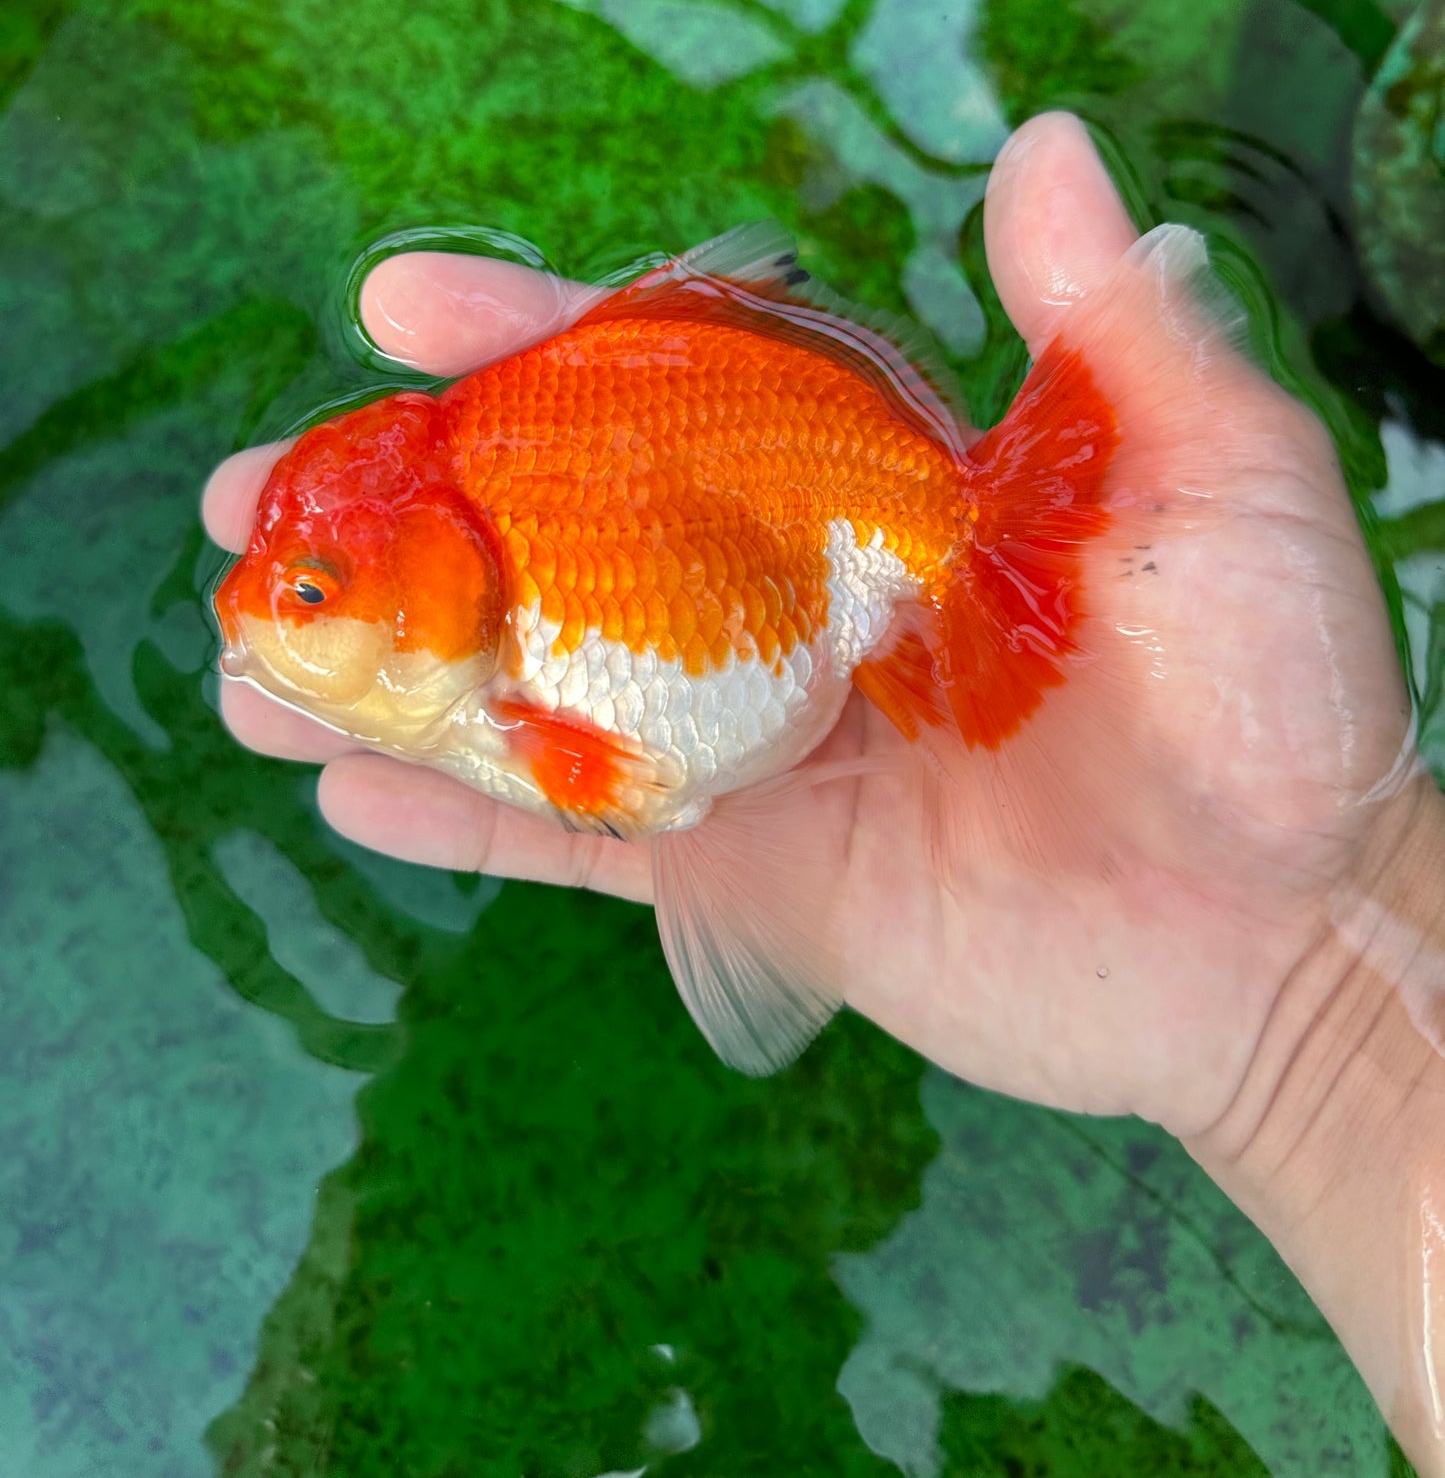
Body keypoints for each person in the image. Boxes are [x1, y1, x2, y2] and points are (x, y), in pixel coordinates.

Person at [205, 111, 1445, 1471]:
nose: (269, 618)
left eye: (311, 595)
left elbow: (619, 772)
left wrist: (1311, 965)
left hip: (834, 527)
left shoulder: (529, 690)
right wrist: (1321, 992)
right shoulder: (490, 580)